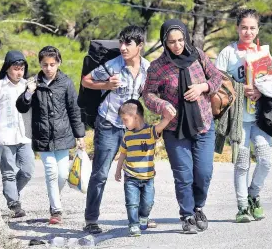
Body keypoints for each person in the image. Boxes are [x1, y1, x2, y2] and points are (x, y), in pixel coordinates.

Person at [142, 19, 223, 234]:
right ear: (164, 42)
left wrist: (203, 86)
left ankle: (198, 208)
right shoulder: (157, 67)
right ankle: (187, 215)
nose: (177, 45)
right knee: (183, 175)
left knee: (204, 173)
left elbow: (217, 77)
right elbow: (147, 95)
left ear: (185, 38)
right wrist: (162, 104)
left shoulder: (198, 55)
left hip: (203, 124)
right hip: (175, 129)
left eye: (180, 40)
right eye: (171, 42)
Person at [81, 25, 152, 234]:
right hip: (109, 123)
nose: (122, 47)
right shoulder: (113, 65)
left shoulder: (148, 68)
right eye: (121, 42)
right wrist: (106, 85)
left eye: (128, 43)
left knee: (139, 173)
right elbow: (86, 80)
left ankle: (140, 218)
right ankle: (91, 219)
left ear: (139, 46)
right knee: (101, 174)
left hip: (133, 128)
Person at [215, 9, 272, 223]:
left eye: (252, 28)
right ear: (237, 28)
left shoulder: (264, 53)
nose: (248, 31)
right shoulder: (228, 53)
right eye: (244, 27)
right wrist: (239, 88)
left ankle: (254, 195)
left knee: (266, 160)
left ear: (258, 29)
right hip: (239, 118)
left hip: (260, 117)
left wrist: (261, 91)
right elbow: (216, 84)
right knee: (242, 162)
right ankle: (242, 206)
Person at [16, 46, 85, 224]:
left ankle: (55, 197)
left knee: (62, 174)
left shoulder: (66, 82)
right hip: (42, 135)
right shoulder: (32, 83)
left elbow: (74, 110)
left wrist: (80, 135)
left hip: (63, 135)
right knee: (51, 172)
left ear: (58, 63)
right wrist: (29, 92)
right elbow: (21, 107)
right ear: (40, 64)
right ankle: (56, 210)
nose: (48, 68)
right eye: (45, 64)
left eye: (52, 64)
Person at [0, 50, 35, 218]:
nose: (19, 72)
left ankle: (10, 191)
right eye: (15, 68)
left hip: (24, 136)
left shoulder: (28, 86)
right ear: (7, 69)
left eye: (21, 68)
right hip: (4, 136)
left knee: (27, 170)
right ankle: (14, 203)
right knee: (8, 173)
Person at [115, 99, 176, 236]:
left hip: (148, 177)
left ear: (135, 117)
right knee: (131, 203)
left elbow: (160, 126)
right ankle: (133, 224)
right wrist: (118, 170)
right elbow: (123, 154)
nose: (123, 123)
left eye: (125, 120)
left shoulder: (150, 132)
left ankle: (144, 217)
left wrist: (168, 118)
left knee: (148, 203)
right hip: (130, 177)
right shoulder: (127, 135)